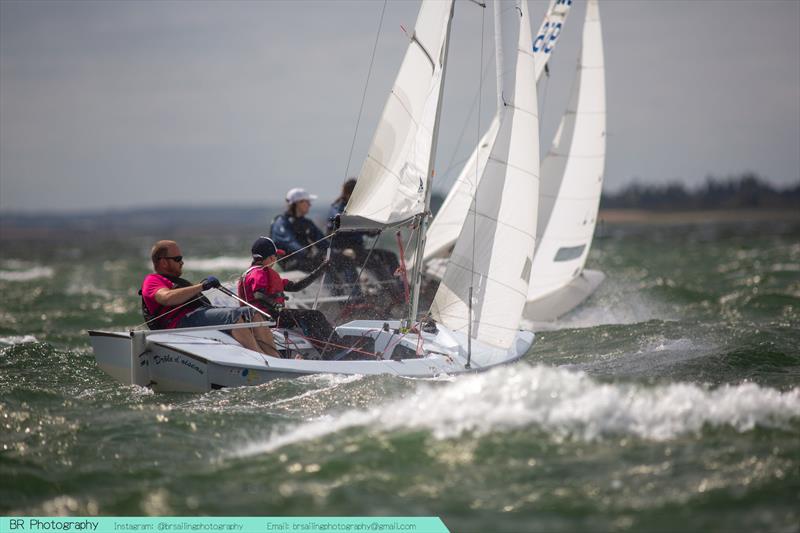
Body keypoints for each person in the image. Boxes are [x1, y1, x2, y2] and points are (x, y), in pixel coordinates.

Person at [140, 240, 279, 357]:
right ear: (163, 262)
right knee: (233, 316)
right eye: (177, 259)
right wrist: (202, 286)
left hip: (196, 316)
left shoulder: (175, 281)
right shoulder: (152, 280)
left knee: (251, 312)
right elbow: (166, 298)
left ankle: (277, 360)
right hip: (179, 323)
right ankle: (264, 360)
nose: (182, 262)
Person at [237, 236, 346, 356]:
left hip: (271, 316)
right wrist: (275, 305)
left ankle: (333, 347)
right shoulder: (258, 273)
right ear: (270, 257)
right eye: (275, 256)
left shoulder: (261, 273)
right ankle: (335, 350)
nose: (276, 259)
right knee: (314, 316)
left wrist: (320, 270)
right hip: (267, 318)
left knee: (312, 315)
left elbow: (296, 286)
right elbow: (258, 294)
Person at [270, 187, 360, 296]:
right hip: (292, 263)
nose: (310, 205)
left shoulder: (306, 222)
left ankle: (355, 297)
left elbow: (322, 242)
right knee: (326, 264)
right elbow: (291, 243)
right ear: (298, 203)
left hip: (307, 259)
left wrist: (338, 253)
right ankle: (340, 298)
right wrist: (310, 254)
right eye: (307, 202)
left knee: (345, 260)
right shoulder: (281, 222)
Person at [327, 178, 403, 302]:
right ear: (349, 194)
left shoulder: (357, 209)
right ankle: (393, 294)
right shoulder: (337, 209)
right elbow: (342, 224)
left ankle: (400, 289)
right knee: (376, 262)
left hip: (358, 249)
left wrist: (374, 229)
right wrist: (366, 229)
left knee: (390, 256)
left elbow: (365, 229)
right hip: (344, 250)